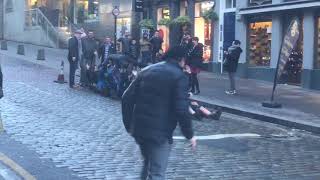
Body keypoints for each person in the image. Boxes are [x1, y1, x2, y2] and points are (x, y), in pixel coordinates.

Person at [122, 45, 196, 180]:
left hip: (140, 129)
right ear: (181, 59)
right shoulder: (179, 76)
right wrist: (189, 134)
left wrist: (129, 125)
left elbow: (126, 98)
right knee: (157, 172)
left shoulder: (146, 70)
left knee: (147, 164)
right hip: (160, 133)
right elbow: (182, 109)